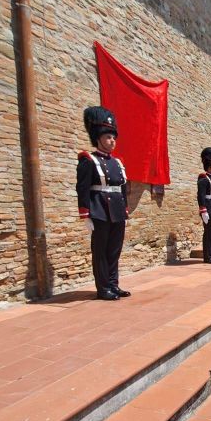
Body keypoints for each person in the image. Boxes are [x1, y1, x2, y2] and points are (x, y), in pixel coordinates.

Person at [76, 106, 130, 301]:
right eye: (108, 137)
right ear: (98, 138)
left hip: (116, 211)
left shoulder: (117, 162)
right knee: (100, 251)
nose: (112, 141)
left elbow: (123, 188)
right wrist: (85, 214)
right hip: (99, 210)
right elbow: (82, 188)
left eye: (114, 137)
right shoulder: (88, 160)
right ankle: (103, 288)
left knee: (114, 251)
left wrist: (125, 210)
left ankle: (113, 285)